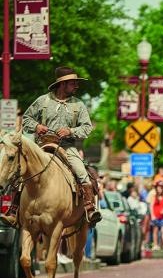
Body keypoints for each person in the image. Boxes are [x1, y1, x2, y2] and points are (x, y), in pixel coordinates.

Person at [2, 67, 101, 227]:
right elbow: (26, 118)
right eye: (73, 83)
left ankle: (90, 209)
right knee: (22, 172)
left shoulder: (79, 105)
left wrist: (71, 130)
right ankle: (14, 211)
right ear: (62, 84)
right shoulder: (43, 101)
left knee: (82, 172)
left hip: (67, 147)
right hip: (42, 145)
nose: (76, 86)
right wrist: (36, 126)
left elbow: (87, 128)